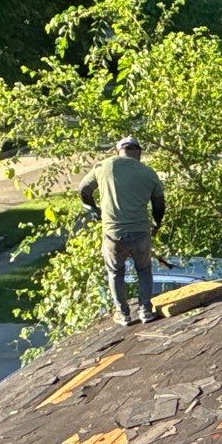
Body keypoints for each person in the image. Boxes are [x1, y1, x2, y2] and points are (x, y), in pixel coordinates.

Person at [78, 137, 167, 325]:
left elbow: (84, 190)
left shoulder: (105, 166)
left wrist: (94, 209)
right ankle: (145, 311)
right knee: (144, 270)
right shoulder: (148, 173)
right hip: (140, 231)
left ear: (118, 151)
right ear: (139, 152)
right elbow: (159, 205)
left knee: (115, 272)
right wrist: (156, 224)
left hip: (113, 233)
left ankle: (123, 314)